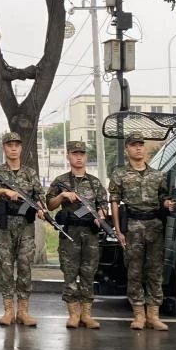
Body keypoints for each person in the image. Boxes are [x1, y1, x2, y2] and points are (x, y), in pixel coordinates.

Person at [109, 135, 175, 331]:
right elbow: (114, 202)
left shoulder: (157, 175)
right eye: (134, 145)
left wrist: (167, 203)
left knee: (155, 271)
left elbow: (163, 196)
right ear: (127, 149)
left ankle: (153, 316)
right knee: (134, 271)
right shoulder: (120, 174)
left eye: (141, 145)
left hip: (154, 226)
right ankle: (139, 315)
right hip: (133, 226)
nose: (138, 148)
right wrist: (118, 230)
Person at [0, 131, 45, 327]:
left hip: (26, 227)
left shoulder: (30, 173)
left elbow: (40, 196)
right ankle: (8, 311)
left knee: (25, 266)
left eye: (17, 145)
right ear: (4, 148)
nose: (13, 149)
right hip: (5, 226)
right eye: (10, 145)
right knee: (6, 267)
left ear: (21, 148)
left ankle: (23, 311)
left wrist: (42, 209)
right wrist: (4, 191)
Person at [46, 141, 111, 330]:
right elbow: (49, 204)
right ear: (68, 156)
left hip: (90, 234)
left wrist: (100, 217)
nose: (79, 157)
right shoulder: (61, 181)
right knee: (70, 273)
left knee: (88, 273)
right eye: (75, 154)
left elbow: (103, 205)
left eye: (82, 154)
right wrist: (63, 196)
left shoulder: (94, 182)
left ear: (86, 156)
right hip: (70, 234)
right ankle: (73, 315)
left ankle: (87, 315)